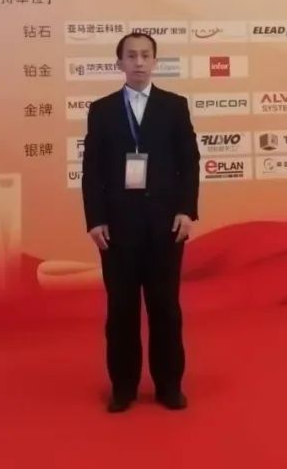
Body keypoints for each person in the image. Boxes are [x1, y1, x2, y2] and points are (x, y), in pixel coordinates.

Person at [81, 32, 201, 412]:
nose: (138, 62)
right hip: (117, 228)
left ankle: (169, 385)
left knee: (166, 308)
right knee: (121, 311)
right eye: (130, 56)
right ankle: (123, 387)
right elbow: (92, 171)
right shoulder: (102, 110)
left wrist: (186, 210)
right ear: (119, 63)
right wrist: (95, 219)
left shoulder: (174, 106)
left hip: (166, 225)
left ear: (155, 62)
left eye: (145, 55)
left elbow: (189, 163)